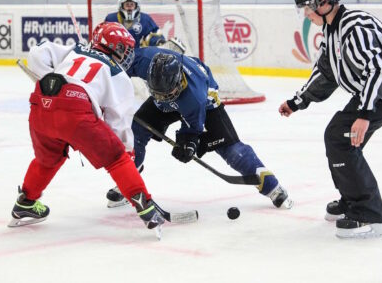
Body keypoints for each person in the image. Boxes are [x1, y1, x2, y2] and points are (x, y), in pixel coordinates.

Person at [279, 0, 382, 239]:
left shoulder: (353, 27)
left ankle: (369, 215)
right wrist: (297, 101)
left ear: (324, 3)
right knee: (339, 137)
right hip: (372, 91)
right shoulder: (332, 29)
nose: (306, 15)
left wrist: (364, 114)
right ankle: (352, 200)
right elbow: (326, 73)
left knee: (341, 138)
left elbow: (376, 71)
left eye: (307, 7)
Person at [8, 22, 165, 233]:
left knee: (47, 159)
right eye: (126, 48)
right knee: (117, 158)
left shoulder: (75, 49)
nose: (128, 54)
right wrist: (127, 153)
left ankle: (25, 203)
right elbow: (119, 122)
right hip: (76, 111)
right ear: (117, 48)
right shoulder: (118, 74)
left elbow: (38, 53)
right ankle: (146, 207)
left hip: (41, 102)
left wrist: (51, 78)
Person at [106, 46, 293, 210]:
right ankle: (130, 180)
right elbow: (116, 69)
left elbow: (192, 129)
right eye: (157, 93)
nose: (164, 98)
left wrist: (188, 144)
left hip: (205, 103)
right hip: (171, 93)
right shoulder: (146, 61)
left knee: (230, 149)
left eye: (167, 93)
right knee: (135, 131)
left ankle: (272, 187)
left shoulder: (194, 99)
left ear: (179, 82)